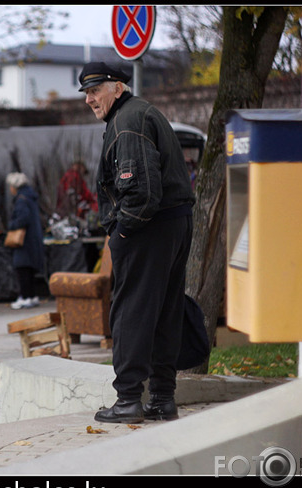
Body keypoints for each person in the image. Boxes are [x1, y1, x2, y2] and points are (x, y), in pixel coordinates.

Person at [79, 61, 195, 423]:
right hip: (174, 221)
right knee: (164, 311)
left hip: (149, 225)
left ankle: (129, 399)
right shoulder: (140, 113)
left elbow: (141, 192)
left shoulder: (127, 121)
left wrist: (122, 234)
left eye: (95, 90)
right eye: (86, 92)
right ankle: (162, 397)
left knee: (131, 311)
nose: (89, 99)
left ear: (117, 87)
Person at [6, 172, 45, 310]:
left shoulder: (21, 200)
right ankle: (32, 296)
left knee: (22, 269)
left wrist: (11, 226)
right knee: (29, 270)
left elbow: (23, 219)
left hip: (24, 241)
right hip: (33, 239)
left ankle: (25, 296)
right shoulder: (30, 197)